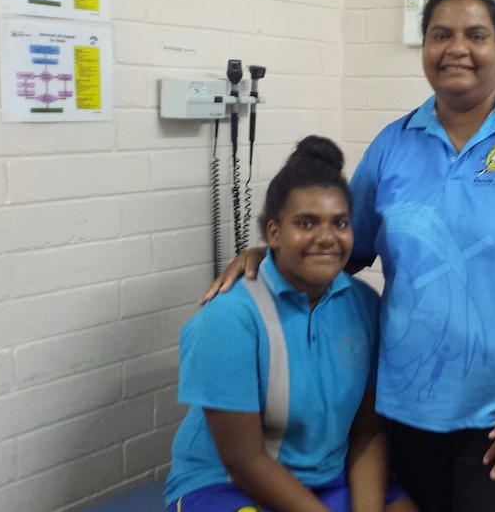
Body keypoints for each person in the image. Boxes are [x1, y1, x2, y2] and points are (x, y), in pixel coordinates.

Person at [202, 0, 495, 512]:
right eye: (440, 35)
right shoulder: (392, 146)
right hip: (406, 405)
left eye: (475, 34)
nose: (457, 48)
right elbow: (336, 250)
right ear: (424, 48)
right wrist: (267, 254)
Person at [166, 136, 417, 512]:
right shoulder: (227, 318)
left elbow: (368, 432)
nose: (326, 237)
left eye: (340, 222)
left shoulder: (364, 306)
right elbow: (245, 460)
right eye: (306, 223)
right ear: (273, 233)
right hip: (228, 484)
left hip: (328, 479)